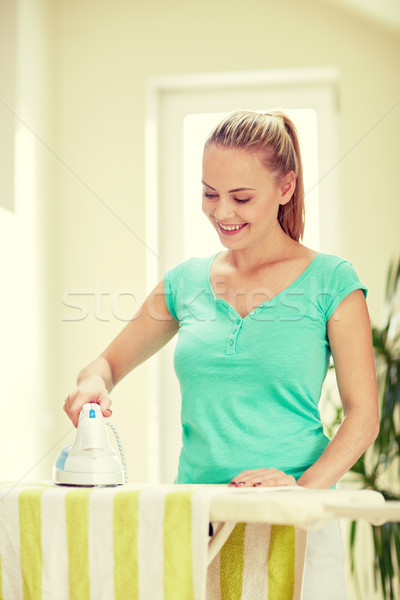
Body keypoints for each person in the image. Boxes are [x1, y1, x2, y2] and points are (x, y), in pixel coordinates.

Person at [64, 110, 379, 597]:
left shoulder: (332, 282)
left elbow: (363, 416)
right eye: (210, 194)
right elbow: (106, 365)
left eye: (241, 197)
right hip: (195, 517)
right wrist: (92, 383)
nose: (222, 212)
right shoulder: (185, 282)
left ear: (286, 187)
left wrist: (301, 489)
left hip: (296, 520)